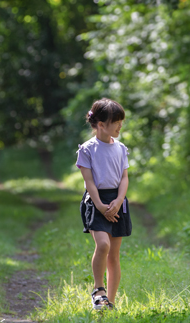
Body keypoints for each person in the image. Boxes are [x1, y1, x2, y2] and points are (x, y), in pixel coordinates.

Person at [76, 98, 132, 310]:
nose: (119, 126)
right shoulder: (87, 149)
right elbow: (88, 181)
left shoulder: (121, 148)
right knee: (103, 245)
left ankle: (110, 301)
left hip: (117, 202)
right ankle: (98, 290)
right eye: (115, 121)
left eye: (121, 121)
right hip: (96, 201)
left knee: (114, 255)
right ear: (100, 124)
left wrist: (118, 201)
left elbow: (124, 178)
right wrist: (99, 205)